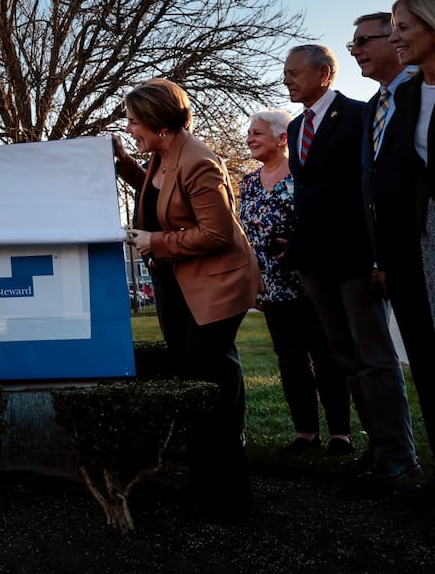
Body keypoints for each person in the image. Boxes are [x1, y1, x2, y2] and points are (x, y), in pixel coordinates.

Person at [114, 78, 260, 518]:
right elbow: (164, 201)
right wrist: (124, 164)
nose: (130, 128)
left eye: (135, 122)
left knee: (208, 382)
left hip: (215, 284)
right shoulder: (161, 155)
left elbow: (216, 233)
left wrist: (155, 243)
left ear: (159, 122)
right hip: (179, 285)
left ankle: (227, 494)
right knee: (198, 378)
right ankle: (208, 481)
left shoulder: (200, 162)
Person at [283, 43, 417, 486]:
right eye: (285, 73)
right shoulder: (298, 125)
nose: (287, 80)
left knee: (374, 357)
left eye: (294, 72)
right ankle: (375, 451)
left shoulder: (358, 116)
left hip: (356, 257)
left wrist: (380, 256)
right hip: (315, 261)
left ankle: (399, 456)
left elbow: (369, 189)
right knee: (344, 357)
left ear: (323, 74)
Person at [238, 108, 351, 455]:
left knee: (326, 356)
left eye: (258, 133)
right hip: (271, 288)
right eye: (249, 133)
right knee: (289, 360)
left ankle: (340, 434)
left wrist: (301, 247)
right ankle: (305, 431)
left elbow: (325, 221)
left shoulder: (303, 177)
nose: (250, 138)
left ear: (283, 138)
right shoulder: (248, 183)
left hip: (310, 282)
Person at [389, 0, 435, 505]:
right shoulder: (406, 94)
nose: (396, 35)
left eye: (403, 25)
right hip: (418, 236)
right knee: (426, 356)